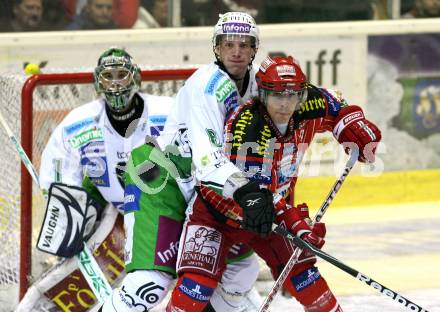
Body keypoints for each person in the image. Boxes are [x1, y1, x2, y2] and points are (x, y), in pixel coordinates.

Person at [165, 55, 382, 311]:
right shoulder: (247, 128)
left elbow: (336, 104)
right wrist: (295, 223)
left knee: (304, 276)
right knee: (196, 287)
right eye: (277, 95)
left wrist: (351, 124)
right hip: (218, 213)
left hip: (272, 213)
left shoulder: (308, 103)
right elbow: (257, 194)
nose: (285, 104)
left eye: (293, 95)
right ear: (261, 94)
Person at [109, 11, 264, 312]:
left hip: (209, 196)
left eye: (244, 44)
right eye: (228, 43)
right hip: (161, 184)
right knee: (148, 286)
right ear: (216, 48)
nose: (236, 51)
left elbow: (295, 94)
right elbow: (208, 161)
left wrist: (338, 115)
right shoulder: (207, 87)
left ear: (254, 49)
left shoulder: (259, 81)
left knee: (239, 274)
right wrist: (249, 194)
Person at [63, 0, 139, 28]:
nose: (105, 12)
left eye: (109, 8)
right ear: (88, 8)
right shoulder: (74, 32)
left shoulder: (115, 30)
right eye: (99, 7)